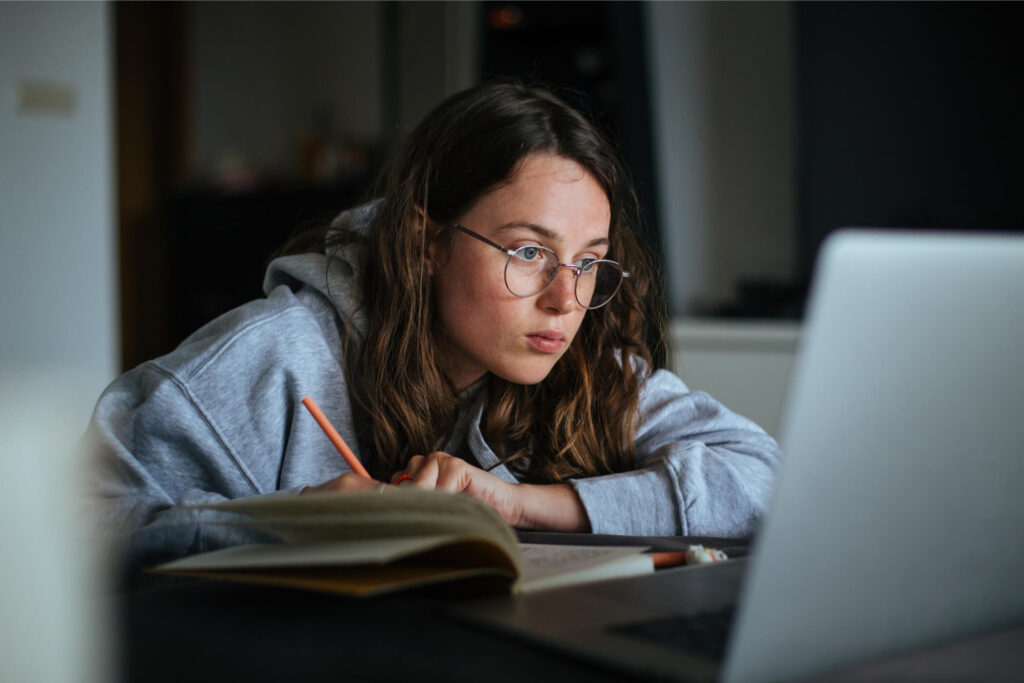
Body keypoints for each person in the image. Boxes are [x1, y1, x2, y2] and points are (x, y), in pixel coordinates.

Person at [88, 80, 780, 572]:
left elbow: (762, 478)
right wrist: (287, 522)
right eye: (529, 252)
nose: (565, 298)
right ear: (426, 241)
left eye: (590, 262)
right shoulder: (278, 356)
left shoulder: (584, 359)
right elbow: (73, 521)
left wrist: (526, 505)